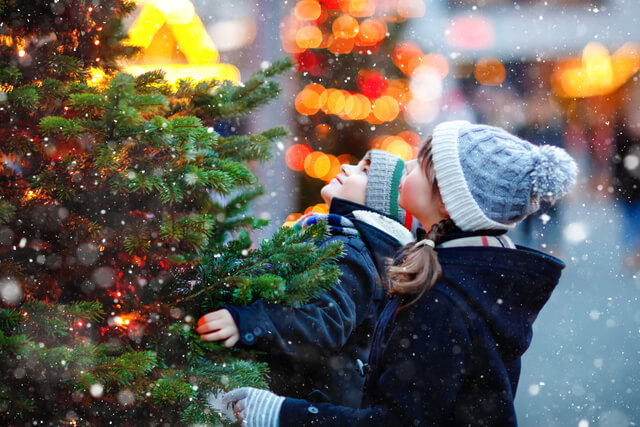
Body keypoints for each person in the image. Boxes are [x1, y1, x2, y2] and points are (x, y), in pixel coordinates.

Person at [222, 120, 578, 426]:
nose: (406, 165)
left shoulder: (442, 301)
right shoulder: (467, 277)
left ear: (448, 198)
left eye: (422, 163)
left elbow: (396, 420)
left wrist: (282, 414)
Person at [197, 150, 417, 407]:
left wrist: (248, 322)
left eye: (364, 171)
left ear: (380, 203)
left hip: (312, 402)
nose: (346, 167)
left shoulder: (350, 250)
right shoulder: (344, 239)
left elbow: (324, 319)